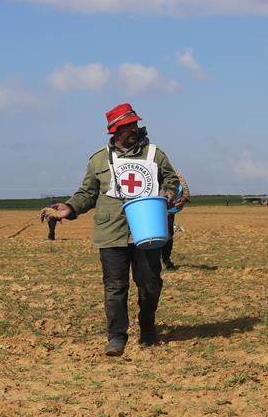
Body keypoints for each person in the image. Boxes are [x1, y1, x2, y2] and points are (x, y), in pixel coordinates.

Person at [41, 103, 180, 356]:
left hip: (147, 229)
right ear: (114, 131)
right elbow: (87, 193)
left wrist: (168, 192)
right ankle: (116, 336)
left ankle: (147, 326)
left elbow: (171, 179)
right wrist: (70, 208)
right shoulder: (98, 160)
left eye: (135, 125)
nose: (133, 130)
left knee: (150, 284)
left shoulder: (154, 154)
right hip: (111, 232)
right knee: (115, 288)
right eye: (127, 127)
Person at [161, 173, 190, 270]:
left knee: (168, 234)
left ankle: (166, 259)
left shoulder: (167, 167)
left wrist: (185, 197)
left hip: (168, 206)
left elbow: (180, 181)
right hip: (149, 206)